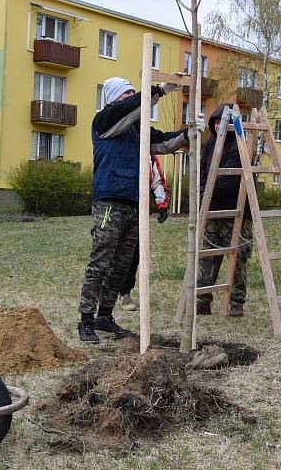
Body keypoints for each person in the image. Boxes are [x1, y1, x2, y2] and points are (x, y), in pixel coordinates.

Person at [77, 76, 188, 344]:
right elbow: (127, 110)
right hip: (109, 202)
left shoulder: (137, 131)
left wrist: (187, 134)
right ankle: (86, 320)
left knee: (122, 265)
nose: (130, 97)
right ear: (113, 98)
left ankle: (105, 316)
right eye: (126, 94)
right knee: (100, 262)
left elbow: (161, 142)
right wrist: (157, 91)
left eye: (131, 93)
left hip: (134, 204)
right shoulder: (103, 121)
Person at [196, 103, 254, 318]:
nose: (219, 126)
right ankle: (203, 299)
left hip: (236, 209)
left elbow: (230, 180)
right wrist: (203, 191)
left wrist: (208, 189)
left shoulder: (239, 145)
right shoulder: (210, 143)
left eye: (223, 122)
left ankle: (236, 303)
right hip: (213, 209)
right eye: (216, 122)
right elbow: (203, 169)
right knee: (208, 255)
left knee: (237, 257)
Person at [118, 155, 170, 311]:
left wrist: (162, 203)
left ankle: (125, 292)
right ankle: (107, 291)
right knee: (111, 251)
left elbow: (157, 179)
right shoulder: (118, 146)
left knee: (134, 253)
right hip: (114, 206)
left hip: (138, 211)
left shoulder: (149, 154)